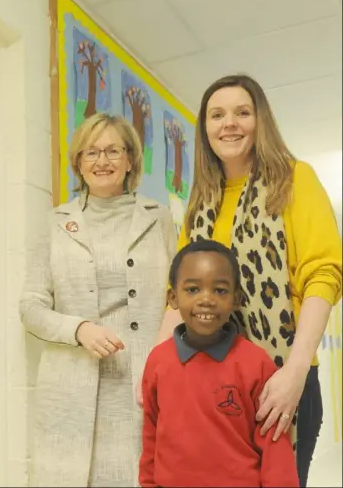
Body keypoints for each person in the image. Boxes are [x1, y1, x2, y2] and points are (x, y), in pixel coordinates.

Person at [145, 74, 342, 487]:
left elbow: (323, 275)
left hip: (280, 376)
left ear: (260, 120)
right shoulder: (200, 200)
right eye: (217, 115)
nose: (229, 123)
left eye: (242, 112)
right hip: (208, 383)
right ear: (206, 129)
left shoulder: (294, 179)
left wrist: (293, 371)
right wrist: (156, 368)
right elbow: (176, 294)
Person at [20, 113, 177, 488]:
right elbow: (30, 305)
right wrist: (79, 329)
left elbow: (176, 298)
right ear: (78, 162)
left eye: (112, 151)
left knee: (139, 475)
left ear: (130, 161)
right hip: (71, 384)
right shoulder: (55, 223)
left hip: (138, 379)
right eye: (91, 152)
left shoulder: (160, 219)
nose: (102, 161)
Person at [139, 240, 299, 488]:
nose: (206, 300)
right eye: (192, 289)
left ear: (236, 299)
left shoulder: (257, 363)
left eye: (220, 291)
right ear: (173, 297)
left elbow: (275, 446)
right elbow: (150, 433)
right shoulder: (158, 361)